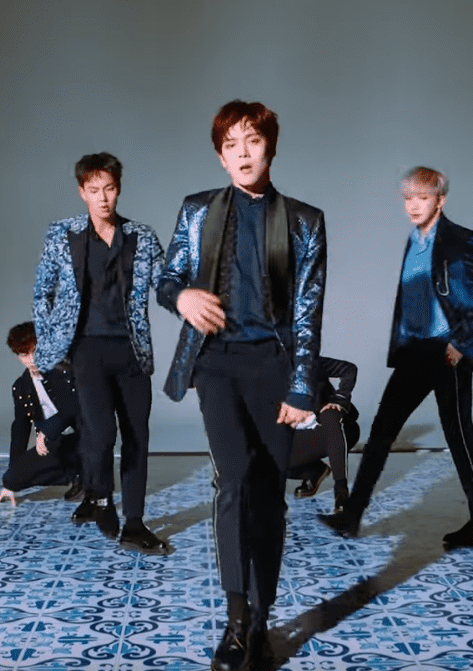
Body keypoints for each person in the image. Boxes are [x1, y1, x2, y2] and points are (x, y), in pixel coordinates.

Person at [159, 99, 326, 671]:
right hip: (217, 366)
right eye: (231, 145)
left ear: (270, 147)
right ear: (221, 157)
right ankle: (235, 623)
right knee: (232, 484)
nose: (243, 153)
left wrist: (301, 389)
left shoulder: (304, 220)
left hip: (274, 369)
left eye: (252, 141)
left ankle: (261, 620)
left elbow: (308, 312)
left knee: (268, 494)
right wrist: (181, 296)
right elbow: (167, 278)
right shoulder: (197, 210)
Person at [320, 167, 473, 550]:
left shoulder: (463, 240)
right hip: (414, 352)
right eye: (408, 198)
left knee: (458, 435)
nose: (413, 205)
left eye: (422, 197)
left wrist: (462, 342)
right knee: (381, 433)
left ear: (440, 200)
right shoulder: (413, 241)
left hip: (449, 352)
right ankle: (352, 516)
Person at [33, 152, 170, 554]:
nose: (103, 197)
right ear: (82, 192)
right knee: (101, 433)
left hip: (132, 351)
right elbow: (42, 292)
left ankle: (135, 524)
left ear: (118, 189)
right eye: (94, 190)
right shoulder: (63, 235)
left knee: (137, 437)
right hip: (86, 349)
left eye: (109, 188)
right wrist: (52, 342)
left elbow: (165, 284)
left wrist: (192, 297)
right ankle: (101, 499)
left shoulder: (141, 236)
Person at [0, 322, 84, 507]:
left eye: (35, 351)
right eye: (24, 355)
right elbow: (20, 428)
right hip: (54, 444)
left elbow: (74, 407)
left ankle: (88, 473)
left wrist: (46, 431)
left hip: (84, 437)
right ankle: (77, 473)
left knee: (88, 446)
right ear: (17, 356)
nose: (32, 359)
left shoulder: (65, 370)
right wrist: (12, 479)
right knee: (11, 477)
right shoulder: (22, 386)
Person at [288, 356, 361, 514]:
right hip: (304, 435)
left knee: (330, 416)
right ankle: (314, 471)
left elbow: (349, 369)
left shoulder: (305, 361)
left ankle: (341, 493)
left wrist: (340, 399)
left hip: (339, 429)